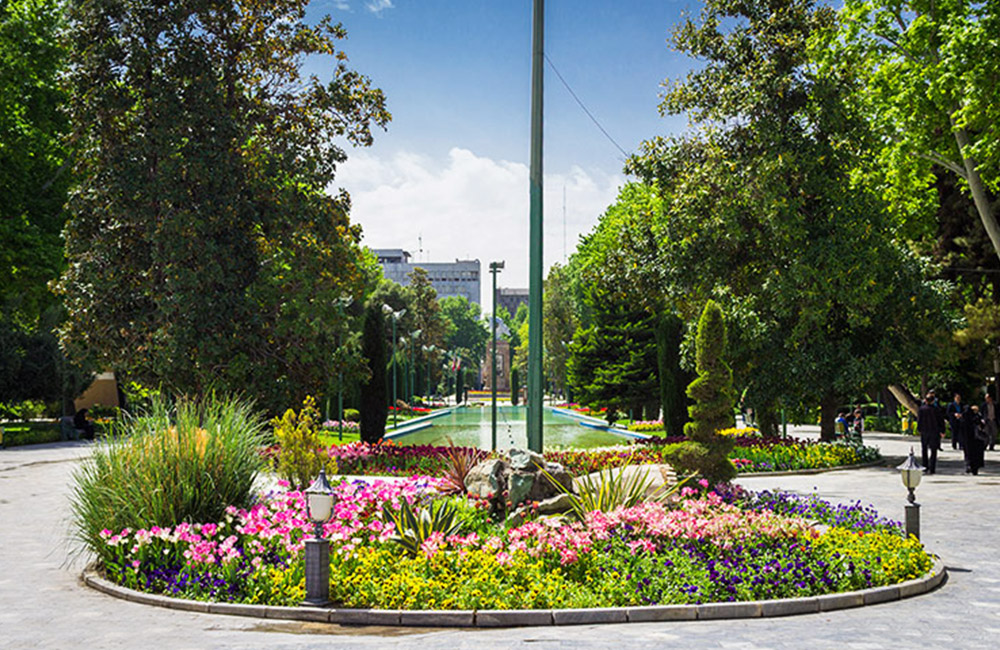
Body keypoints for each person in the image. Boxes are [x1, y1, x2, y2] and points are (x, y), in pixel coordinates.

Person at [917, 394, 943, 474]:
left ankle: (925, 466)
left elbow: (919, 420)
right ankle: (932, 468)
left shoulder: (921, 409)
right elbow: (940, 421)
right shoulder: (936, 410)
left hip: (925, 431)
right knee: (933, 450)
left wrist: (919, 429)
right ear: (933, 401)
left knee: (924, 449)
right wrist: (942, 431)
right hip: (934, 432)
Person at [965, 404, 987, 475]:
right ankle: (974, 468)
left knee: (970, 454)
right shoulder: (978, 417)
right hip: (977, 439)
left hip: (970, 439)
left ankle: (970, 466)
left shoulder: (967, 418)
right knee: (976, 455)